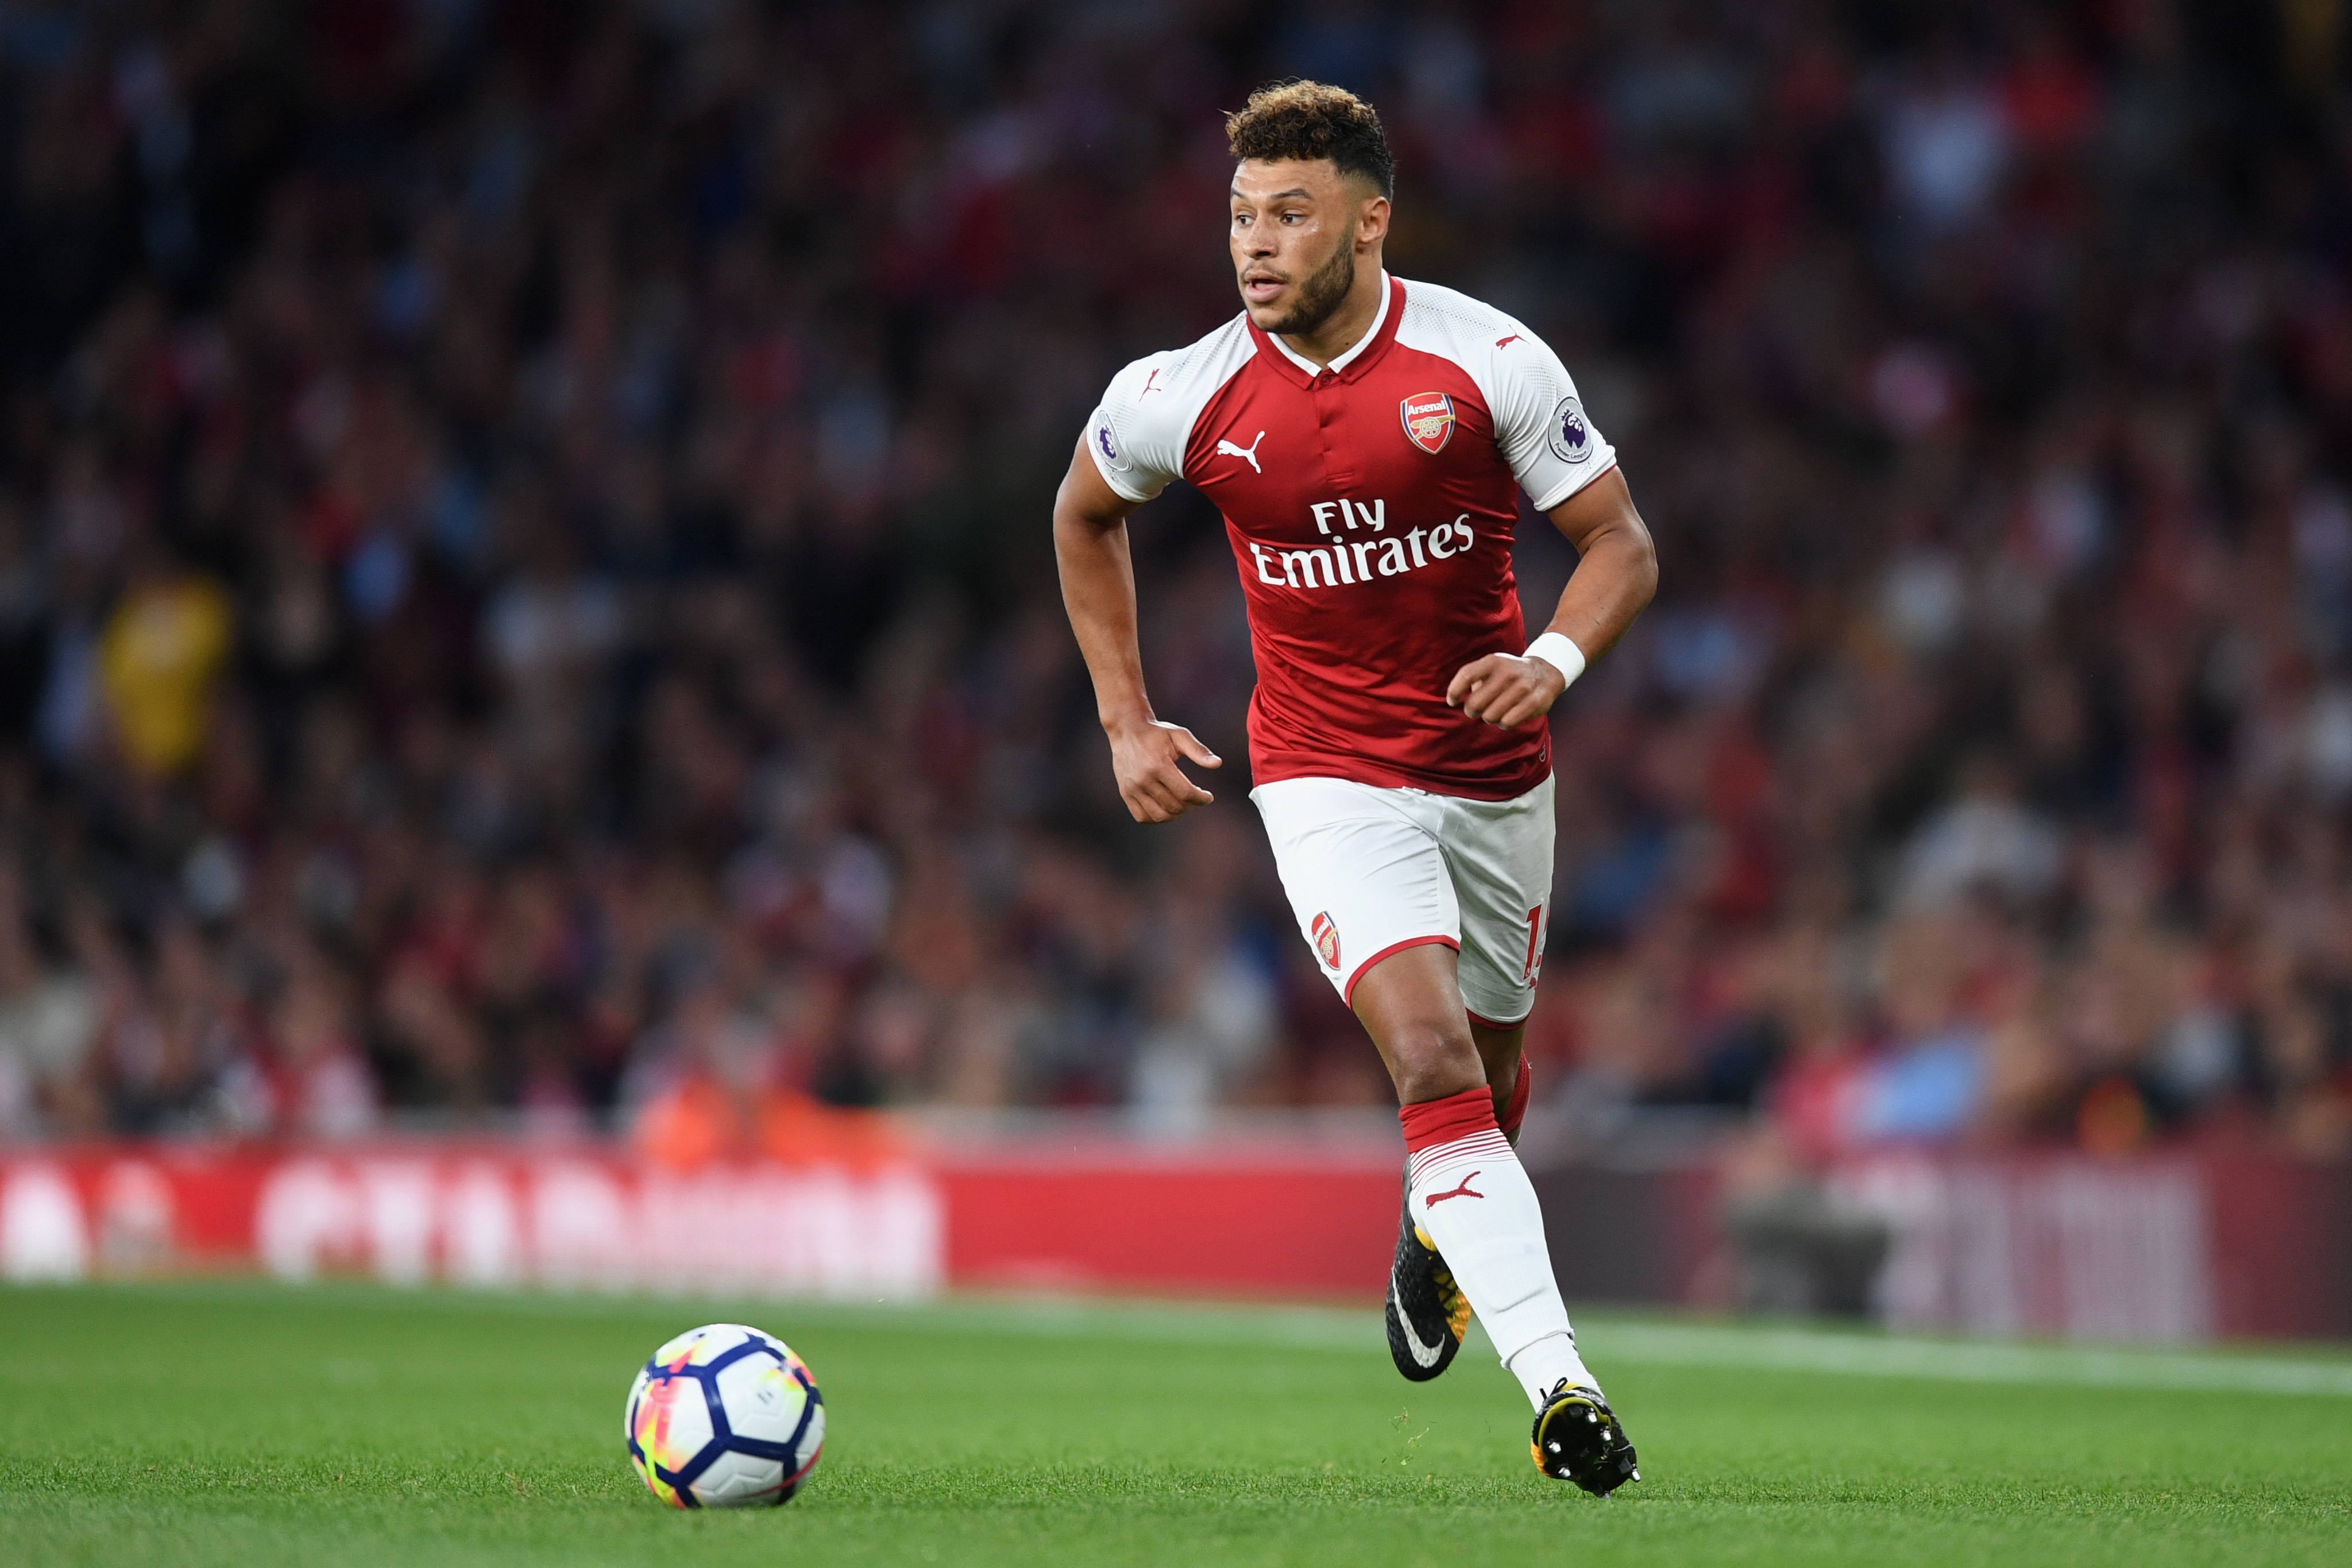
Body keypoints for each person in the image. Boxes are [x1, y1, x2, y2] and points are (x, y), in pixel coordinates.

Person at [1052, 81, 1656, 1493]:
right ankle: (1560, 1389)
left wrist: (1553, 661)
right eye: (1240, 217)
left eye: (1290, 214)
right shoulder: (1179, 391)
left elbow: (1617, 540)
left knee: (1495, 1077)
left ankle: (1431, 1226)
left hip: (1497, 771)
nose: (1254, 246)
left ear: (1370, 221)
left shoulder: (1485, 361)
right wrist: (1124, 721)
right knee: (1434, 1063)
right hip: (1321, 776)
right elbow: (1082, 516)